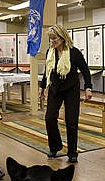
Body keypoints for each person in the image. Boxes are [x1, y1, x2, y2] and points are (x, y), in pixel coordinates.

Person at [39, 25, 92, 163]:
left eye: (55, 39)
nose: (52, 42)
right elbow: (47, 71)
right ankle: (55, 146)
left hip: (71, 90)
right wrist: (42, 87)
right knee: (49, 118)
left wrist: (88, 88)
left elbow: (85, 71)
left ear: (63, 38)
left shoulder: (74, 53)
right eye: (51, 39)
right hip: (55, 89)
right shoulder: (50, 52)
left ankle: (72, 152)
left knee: (71, 121)